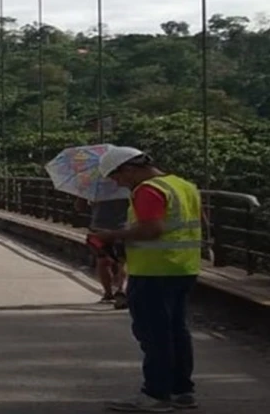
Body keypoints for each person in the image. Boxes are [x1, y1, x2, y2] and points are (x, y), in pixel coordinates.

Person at [92, 146, 202, 412]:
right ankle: (181, 390)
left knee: (154, 335)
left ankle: (156, 393)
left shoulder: (148, 190)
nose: (117, 183)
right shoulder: (184, 186)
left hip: (153, 271)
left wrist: (111, 236)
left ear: (129, 169)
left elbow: (152, 229)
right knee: (177, 331)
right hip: (183, 268)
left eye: (116, 177)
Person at [75, 197, 129, 309]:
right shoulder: (126, 184)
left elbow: (79, 207)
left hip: (98, 228)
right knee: (122, 261)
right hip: (123, 228)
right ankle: (121, 290)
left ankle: (108, 294)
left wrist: (82, 195)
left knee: (102, 260)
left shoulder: (95, 185)